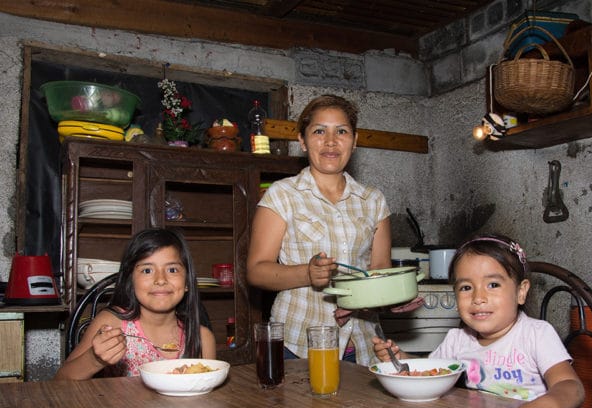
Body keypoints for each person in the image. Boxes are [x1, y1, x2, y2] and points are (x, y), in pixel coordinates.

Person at [373, 233, 585, 408]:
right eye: (466, 287)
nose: (478, 297)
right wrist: (401, 359)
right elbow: (430, 372)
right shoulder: (457, 340)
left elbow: (571, 387)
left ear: (521, 292)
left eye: (493, 285)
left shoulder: (536, 334)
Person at [246, 94, 393, 366]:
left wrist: (394, 296)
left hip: (361, 344)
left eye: (341, 131)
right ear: (302, 141)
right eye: (318, 131)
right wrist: (307, 273)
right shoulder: (282, 195)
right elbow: (257, 270)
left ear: (355, 140)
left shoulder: (373, 201)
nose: (331, 141)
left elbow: (379, 272)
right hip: (298, 343)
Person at [55, 228, 216, 380]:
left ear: (187, 282)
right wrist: (95, 359)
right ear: (130, 281)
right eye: (147, 270)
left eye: (172, 270)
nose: (160, 280)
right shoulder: (112, 324)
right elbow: (61, 380)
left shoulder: (202, 338)